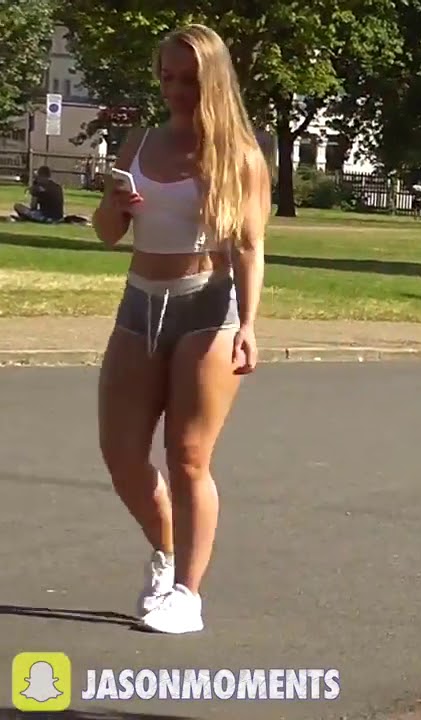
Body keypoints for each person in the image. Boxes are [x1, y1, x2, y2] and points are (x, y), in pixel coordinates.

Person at [91, 23, 270, 634]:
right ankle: (166, 552)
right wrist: (114, 205)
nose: (174, 91)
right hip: (138, 304)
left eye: (188, 80)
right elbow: (107, 234)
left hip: (207, 307)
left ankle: (188, 595)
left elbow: (248, 246)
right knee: (121, 455)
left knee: (188, 457)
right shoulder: (139, 142)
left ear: (212, 81)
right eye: (166, 77)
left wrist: (249, 324)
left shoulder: (240, 156)